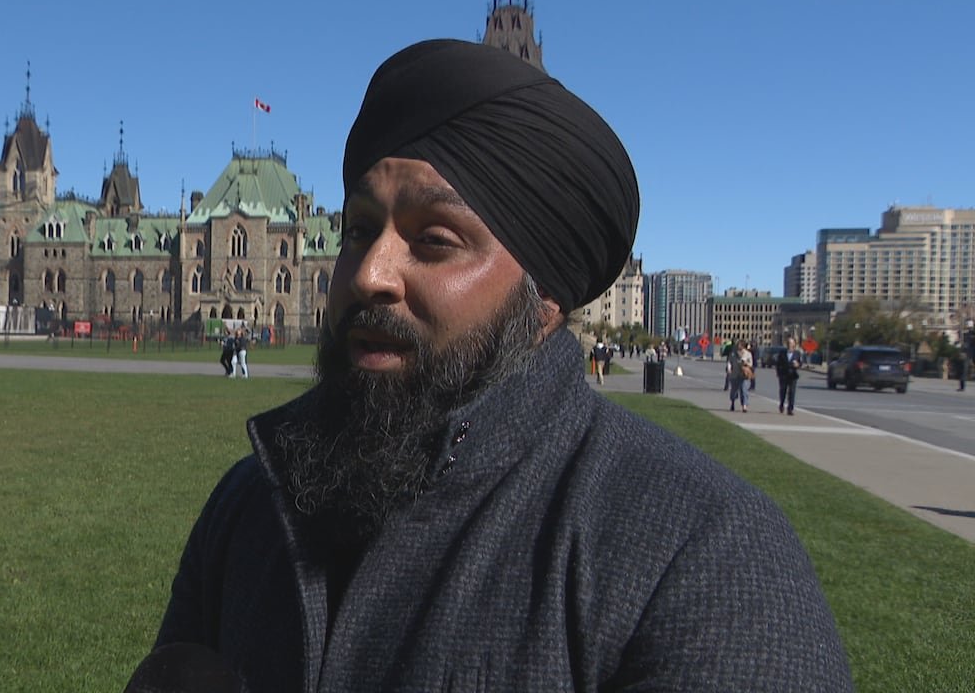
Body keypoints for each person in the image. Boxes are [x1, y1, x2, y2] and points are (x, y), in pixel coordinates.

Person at [151, 39, 850, 691]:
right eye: (359, 229)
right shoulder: (251, 503)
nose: (369, 274)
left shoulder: (705, 555)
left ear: (546, 295)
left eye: (433, 239)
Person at [776, 337, 802, 415]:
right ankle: (781, 404)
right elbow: (778, 364)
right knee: (783, 391)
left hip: (793, 375)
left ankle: (790, 409)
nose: (789, 345)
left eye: (791, 343)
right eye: (788, 343)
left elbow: (800, 363)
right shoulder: (782, 353)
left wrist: (798, 365)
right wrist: (779, 373)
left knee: (792, 392)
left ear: (794, 344)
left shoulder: (797, 353)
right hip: (783, 375)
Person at [727, 341, 753, 412]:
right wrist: (729, 369)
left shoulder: (748, 354)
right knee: (734, 391)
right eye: (738, 345)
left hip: (744, 375)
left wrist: (746, 363)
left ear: (743, 346)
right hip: (735, 374)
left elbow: (751, 364)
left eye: (740, 345)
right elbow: (729, 361)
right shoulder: (733, 353)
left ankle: (744, 406)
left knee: (744, 390)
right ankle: (732, 402)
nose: (739, 346)